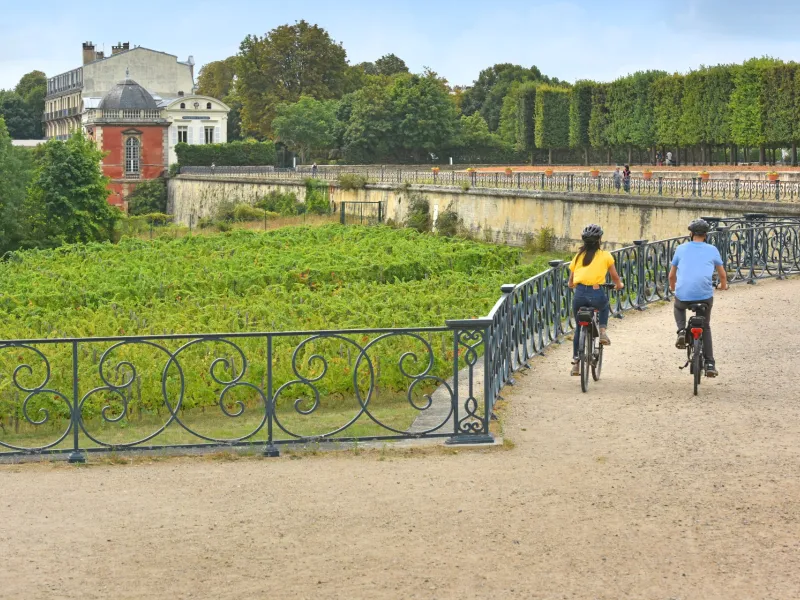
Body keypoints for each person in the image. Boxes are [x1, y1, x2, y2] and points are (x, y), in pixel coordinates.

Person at [669, 219, 729, 377]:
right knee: (706, 326)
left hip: (684, 294)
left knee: (678, 306)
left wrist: (674, 288)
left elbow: (671, 276)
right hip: (704, 296)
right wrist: (723, 286)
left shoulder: (681, 248)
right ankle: (709, 363)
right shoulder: (712, 249)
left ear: (691, 234)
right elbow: (723, 275)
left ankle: (682, 331)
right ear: (706, 235)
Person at [568, 224, 625, 376]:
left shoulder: (578, 256)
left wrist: (572, 285)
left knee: (579, 328)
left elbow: (571, 281)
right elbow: (614, 276)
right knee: (604, 306)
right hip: (596, 293)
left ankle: (576, 363)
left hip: (579, 295)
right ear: (600, 239)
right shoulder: (605, 255)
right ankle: (602, 331)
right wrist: (619, 285)